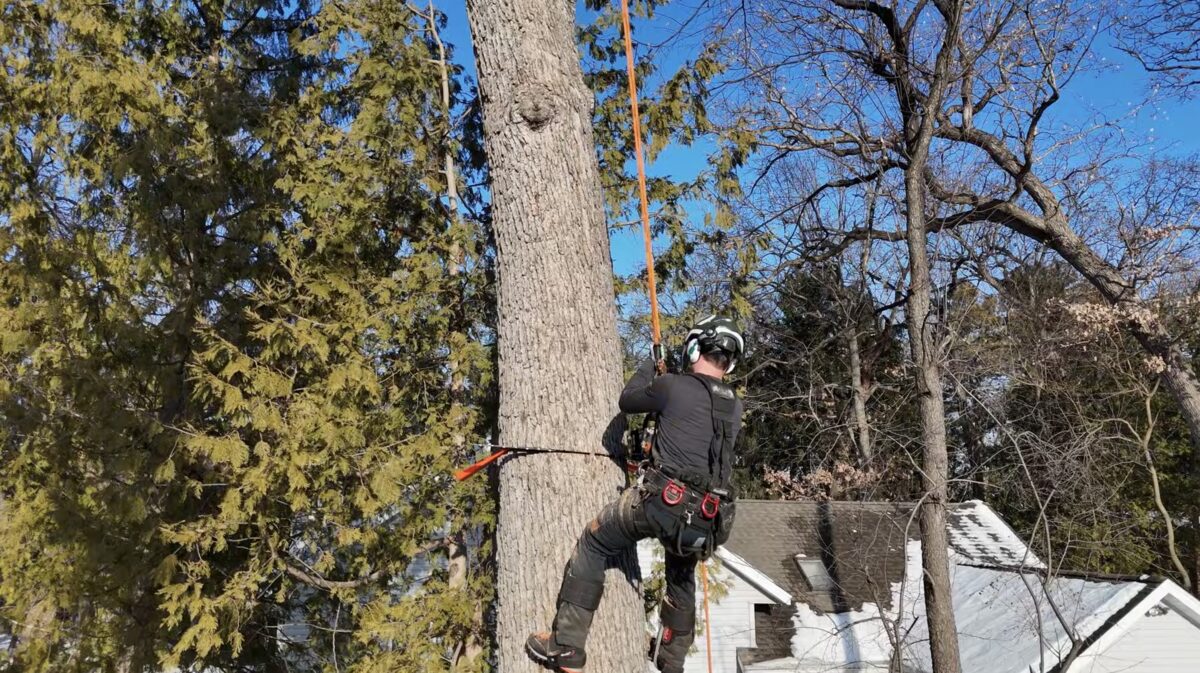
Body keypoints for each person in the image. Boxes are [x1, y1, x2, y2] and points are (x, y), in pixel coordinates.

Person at [526, 315, 745, 673]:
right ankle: (671, 659)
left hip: (661, 501)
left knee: (595, 542)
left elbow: (628, 400)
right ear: (730, 363)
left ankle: (566, 645)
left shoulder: (672, 386)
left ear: (693, 348)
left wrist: (650, 366)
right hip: (704, 516)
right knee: (681, 575)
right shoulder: (734, 406)